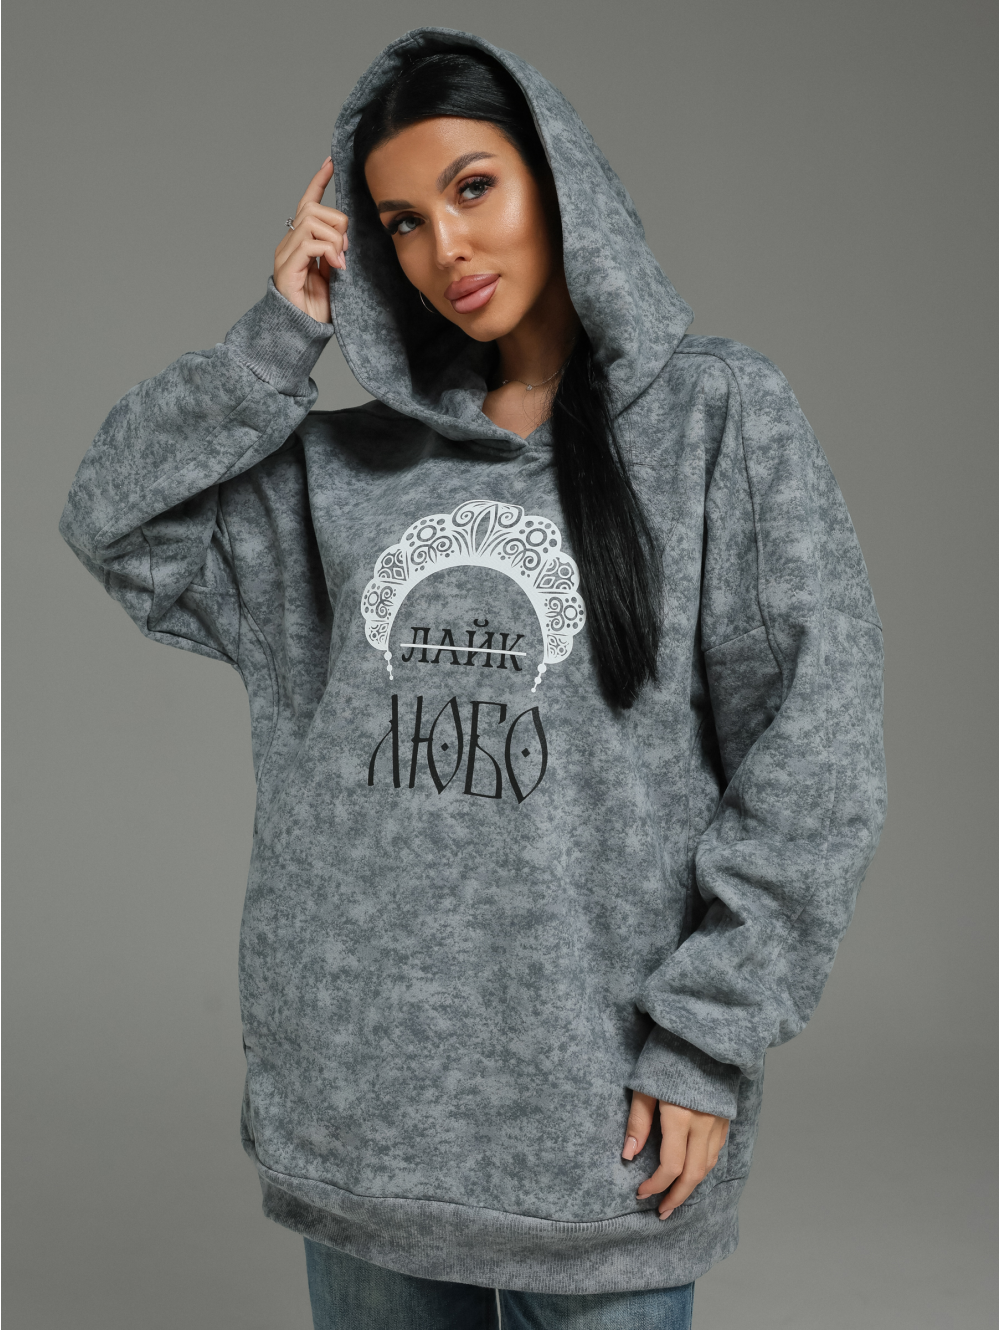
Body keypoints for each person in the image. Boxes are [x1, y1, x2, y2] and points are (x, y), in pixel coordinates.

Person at [59, 27, 887, 1330]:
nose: (444, 246)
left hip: (606, 1122)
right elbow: (114, 517)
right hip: (366, 1122)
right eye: (400, 221)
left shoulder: (718, 424)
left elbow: (816, 753)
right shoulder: (340, 472)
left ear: (559, 180)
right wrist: (275, 340)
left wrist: (707, 1034)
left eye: (472, 188)